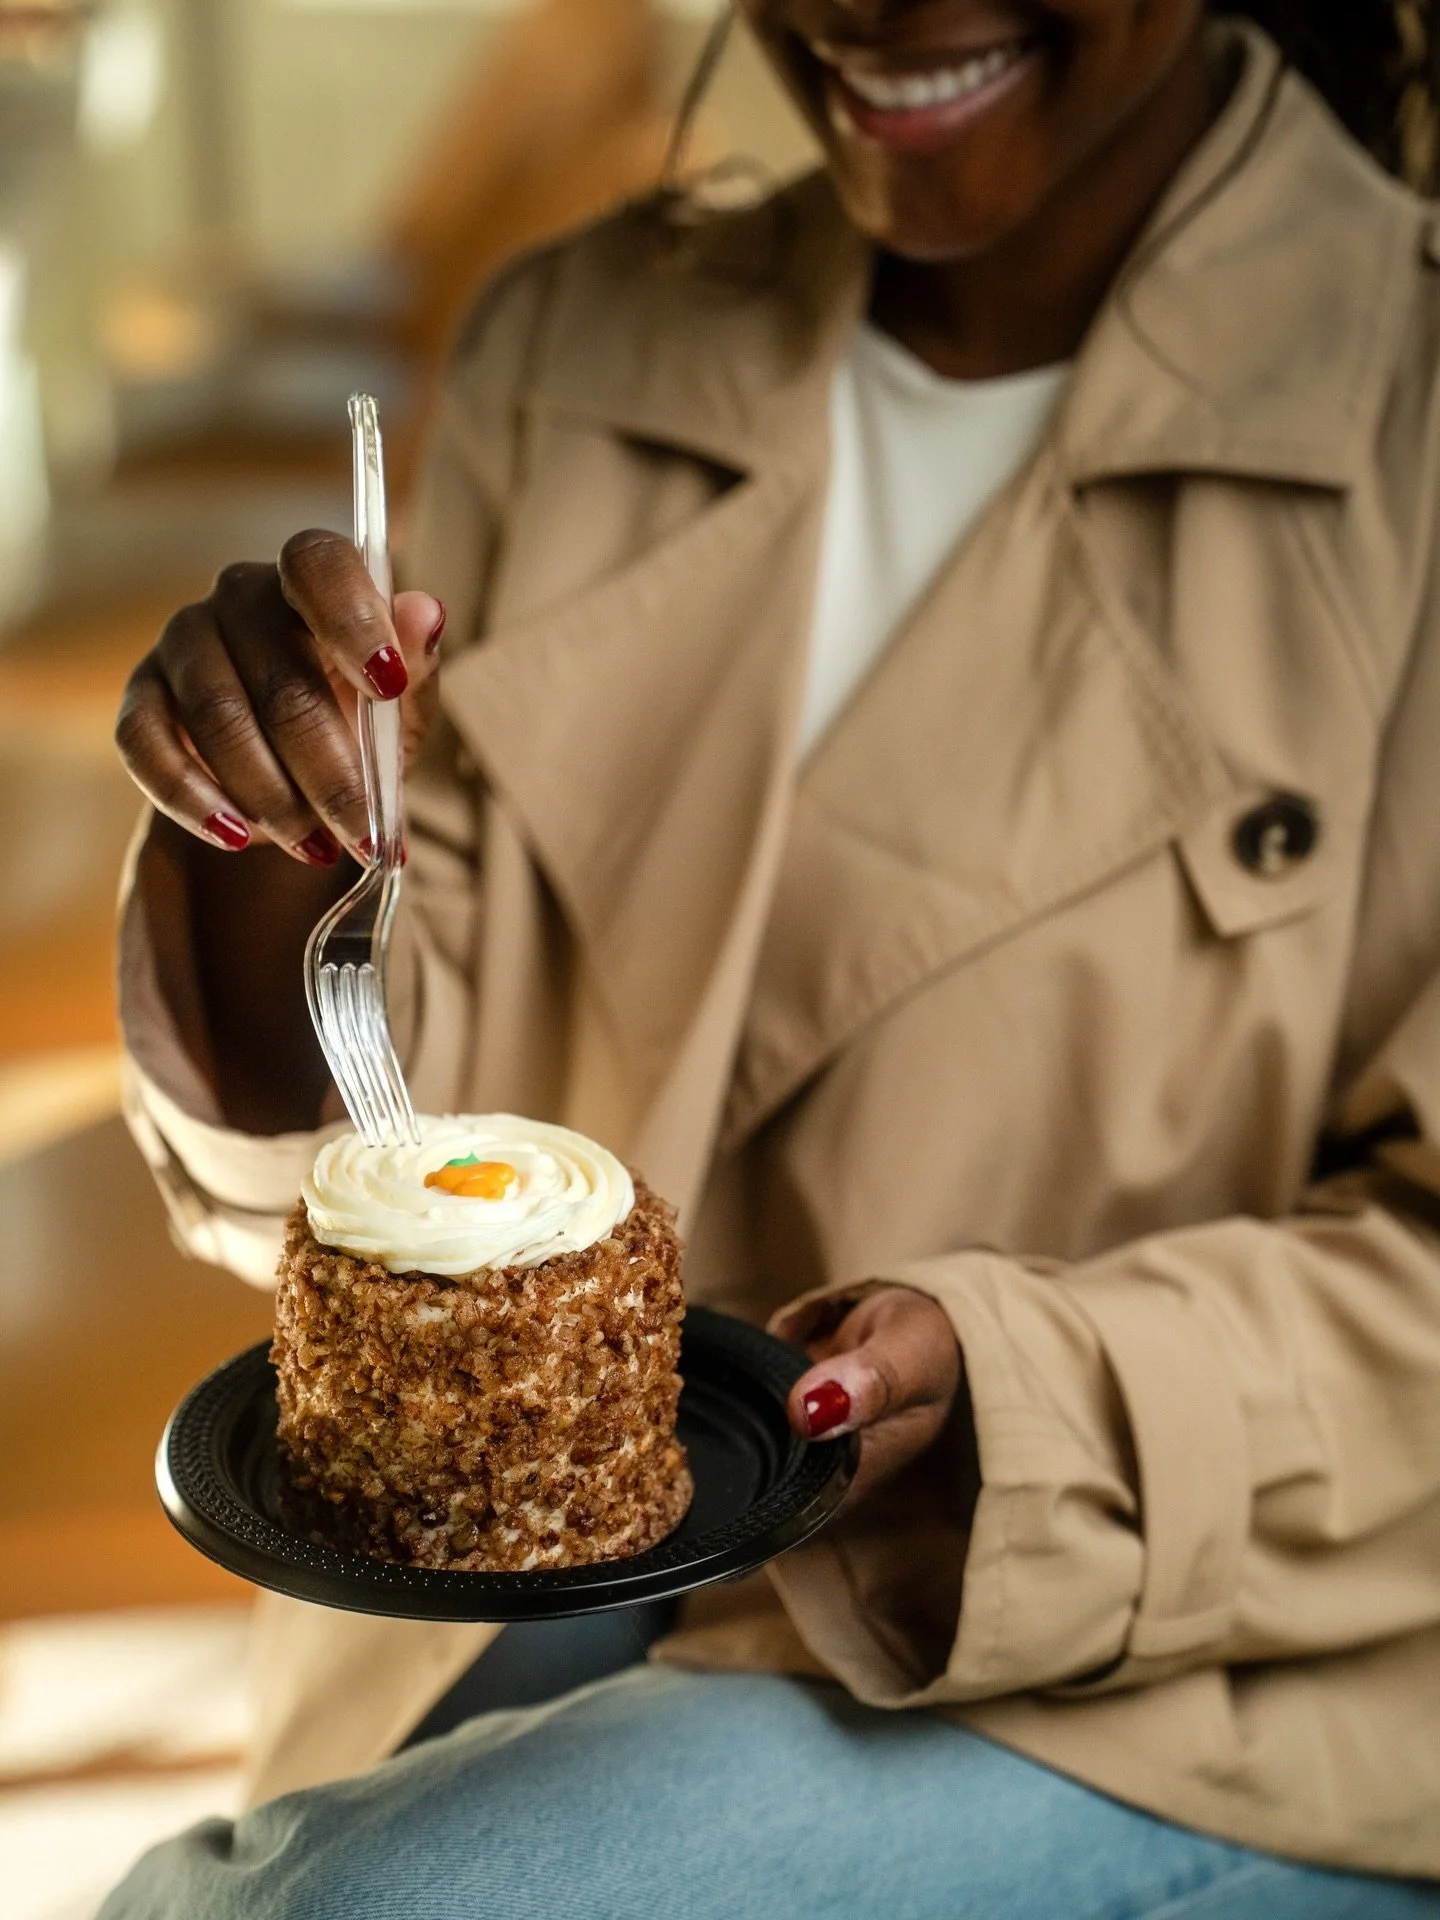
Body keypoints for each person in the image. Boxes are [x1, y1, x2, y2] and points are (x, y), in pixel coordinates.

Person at [103, 2, 1440, 1913]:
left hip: (1185, 1662)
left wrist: (1031, 1385)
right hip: (584, 1544)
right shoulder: (581, 343)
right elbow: (416, 1130)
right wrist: (257, 832)